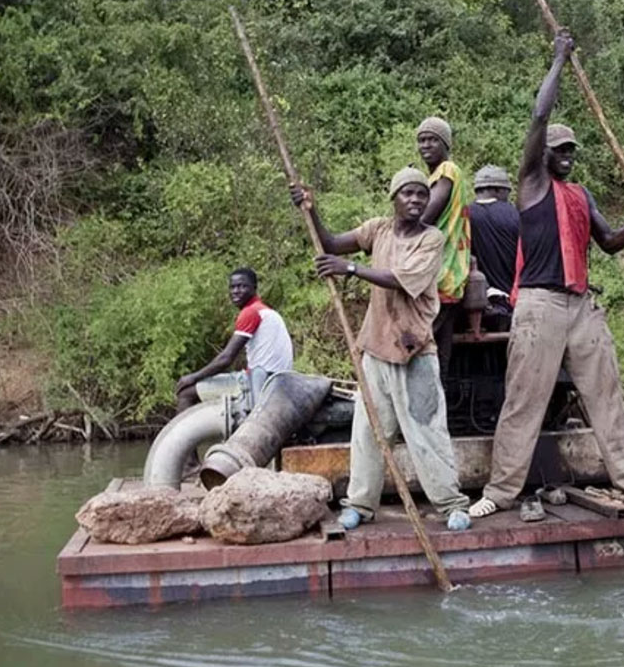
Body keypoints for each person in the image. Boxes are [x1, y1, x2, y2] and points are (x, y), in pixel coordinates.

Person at [470, 31, 624, 518]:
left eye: (571, 150)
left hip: (581, 305)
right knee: (523, 400)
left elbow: (609, 244)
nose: (566, 154)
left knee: (606, 396)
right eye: (559, 148)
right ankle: (499, 493)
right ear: (543, 155)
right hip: (539, 305)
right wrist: (559, 60)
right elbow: (540, 116)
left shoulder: (582, 195)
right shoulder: (532, 184)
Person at [290, 168, 472, 532]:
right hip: (375, 349)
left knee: (427, 432)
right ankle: (360, 503)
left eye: (422, 195)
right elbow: (330, 243)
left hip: (415, 351)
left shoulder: (431, 240)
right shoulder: (378, 230)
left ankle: (451, 504)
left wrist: (351, 269)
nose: (416, 200)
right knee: (369, 433)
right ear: (394, 198)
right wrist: (310, 210)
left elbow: (403, 280)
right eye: (408, 194)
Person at [173, 267, 294, 411]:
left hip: (259, 380)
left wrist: (193, 377)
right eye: (233, 287)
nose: (236, 291)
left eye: (242, 286)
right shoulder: (267, 312)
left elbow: (226, 358)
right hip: (277, 378)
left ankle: (184, 432)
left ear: (254, 288)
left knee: (186, 392)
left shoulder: (251, 312)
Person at [415, 116, 472, 375]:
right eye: (421, 140)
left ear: (445, 144)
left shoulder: (448, 170)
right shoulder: (434, 178)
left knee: (422, 350)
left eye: (432, 140)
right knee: (439, 353)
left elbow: (425, 215)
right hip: (442, 274)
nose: (425, 145)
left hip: (439, 273)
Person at [467, 164, 519, 330]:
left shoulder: (464, 215)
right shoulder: (515, 214)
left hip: (474, 305)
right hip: (513, 304)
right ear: (498, 190)